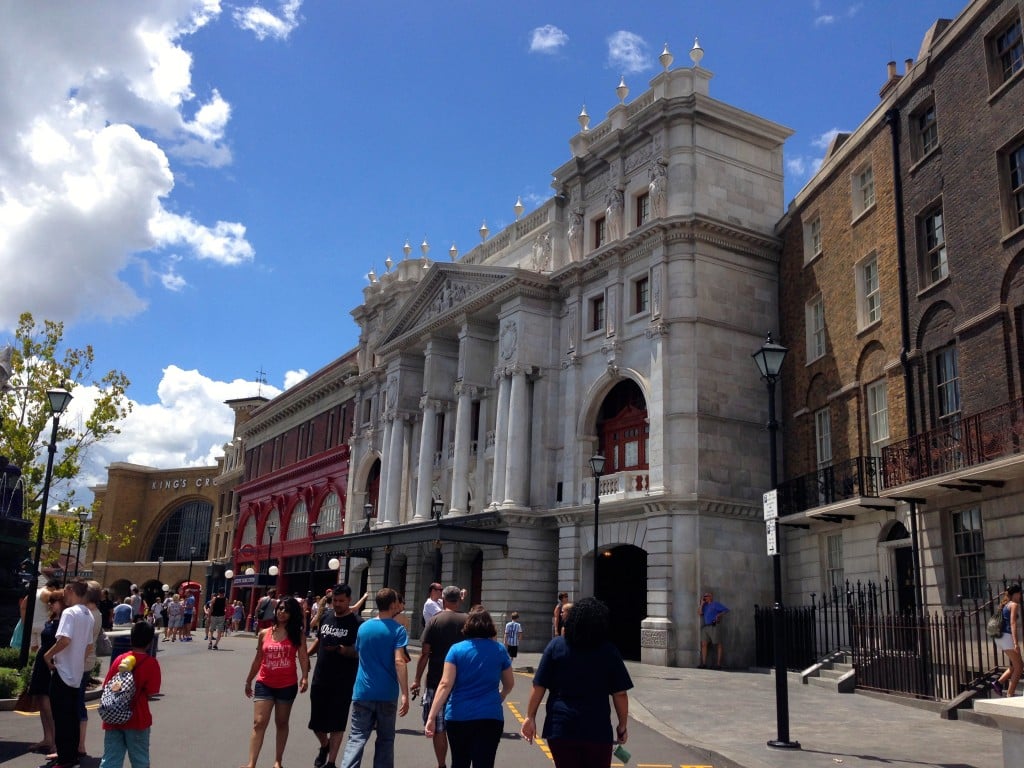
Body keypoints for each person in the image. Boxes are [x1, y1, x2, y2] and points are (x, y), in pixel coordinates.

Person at [520, 597, 633, 768]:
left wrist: (530, 716)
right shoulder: (608, 651)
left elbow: (539, 685)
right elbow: (620, 693)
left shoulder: (556, 646)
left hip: (561, 727)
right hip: (597, 729)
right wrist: (622, 726)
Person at [424, 608, 514, 768]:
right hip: (490, 716)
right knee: (485, 762)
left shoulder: (456, 650)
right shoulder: (499, 649)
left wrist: (431, 717)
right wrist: (502, 695)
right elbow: (509, 683)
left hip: (459, 715)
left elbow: (445, 684)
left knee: (459, 761)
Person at [338, 588, 410, 768]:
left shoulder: (363, 628)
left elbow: (359, 652)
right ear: (393, 604)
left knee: (356, 737)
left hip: (363, 690)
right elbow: (399, 661)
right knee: (385, 739)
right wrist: (405, 694)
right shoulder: (398, 630)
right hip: (387, 692)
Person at [241, 596, 311, 768]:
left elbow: (303, 656)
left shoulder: (297, 634)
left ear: (292, 613)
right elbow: (258, 658)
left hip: (287, 685)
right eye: (280, 608)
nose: (282, 612)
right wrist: (249, 680)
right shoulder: (265, 633)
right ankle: (251, 763)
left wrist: (304, 676)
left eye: (286, 610)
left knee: (281, 722)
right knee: (259, 722)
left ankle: (278, 760)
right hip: (264, 682)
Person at [412, 586, 467, 768]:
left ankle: (441, 764)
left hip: (436, 680)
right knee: (460, 727)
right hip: (463, 682)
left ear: (443, 600)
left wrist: (417, 679)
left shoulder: (435, 621)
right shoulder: (468, 621)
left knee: (438, 727)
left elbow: (425, 653)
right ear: (460, 599)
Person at [308, 584, 362, 768]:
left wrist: (340, 649)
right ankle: (325, 745)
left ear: (349, 600)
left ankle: (331, 762)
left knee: (338, 723)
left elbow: (358, 652)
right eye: (335, 601)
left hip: (343, 680)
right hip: (321, 676)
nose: (337, 604)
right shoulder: (326, 617)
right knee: (316, 722)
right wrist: (306, 655)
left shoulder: (357, 623)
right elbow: (319, 640)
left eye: (341, 601)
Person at [43, 578, 95, 768]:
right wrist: (77, 661)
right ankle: (71, 756)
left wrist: (48, 655)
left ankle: (64, 759)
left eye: (65, 591)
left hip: (62, 671)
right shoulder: (88, 614)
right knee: (72, 716)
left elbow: (64, 639)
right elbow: (89, 646)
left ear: (71, 590)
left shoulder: (69, 613)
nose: (63, 594)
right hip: (76, 673)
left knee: (61, 716)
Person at [99, 621, 161, 768]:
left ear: (131, 638)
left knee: (110, 759)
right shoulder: (151, 663)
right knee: (140, 759)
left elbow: (107, 685)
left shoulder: (119, 660)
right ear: (150, 641)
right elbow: (152, 691)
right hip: (138, 717)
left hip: (113, 717)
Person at [27, 591, 64, 755]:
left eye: (54, 601)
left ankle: (56, 741)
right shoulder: (52, 619)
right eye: (50, 601)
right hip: (42, 662)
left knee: (50, 705)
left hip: (51, 663)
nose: (50, 604)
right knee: (42, 702)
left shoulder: (64, 621)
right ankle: (47, 738)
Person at [993, 584, 1023, 697]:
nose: (1021, 596)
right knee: (1020, 667)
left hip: (1000, 638)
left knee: (1016, 665)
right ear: (1015, 594)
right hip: (1006, 637)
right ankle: (1010, 694)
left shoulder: (1006, 604)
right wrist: (1016, 643)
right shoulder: (1014, 604)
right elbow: (1013, 623)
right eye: (1020, 593)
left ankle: (998, 683)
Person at [698, 592, 729, 669]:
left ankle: (718, 664)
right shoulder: (704, 606)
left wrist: (719, 615)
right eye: (704, 596)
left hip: (714, 626)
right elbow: (699, 613)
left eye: (706, 596)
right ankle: (704, 663)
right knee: (704, 644)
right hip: (706, 627)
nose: (705, 597)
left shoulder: (715, 604)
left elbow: (726, 610)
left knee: (718, 644)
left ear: (711, 597)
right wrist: (702, 604)